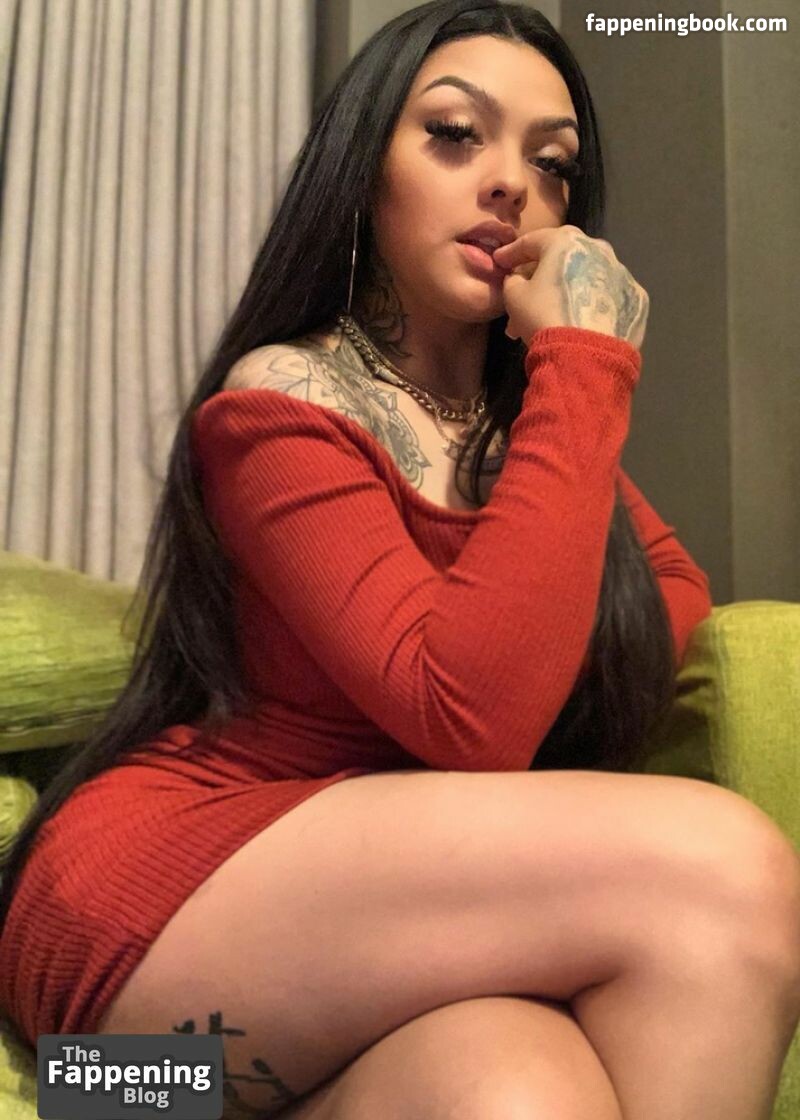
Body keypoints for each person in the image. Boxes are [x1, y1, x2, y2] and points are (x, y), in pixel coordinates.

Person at [2, 3, 799, 1118]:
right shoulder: (283, 401)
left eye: (552, 163)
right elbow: (471, 719)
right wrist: (583, 362)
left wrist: (554, 426)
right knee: (722, 864)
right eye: (455, 135)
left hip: (365, 969)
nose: (511, 184)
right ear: (363, 174)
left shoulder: (530, 443)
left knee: (518, 1091)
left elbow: (663, 592)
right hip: (139, 991)